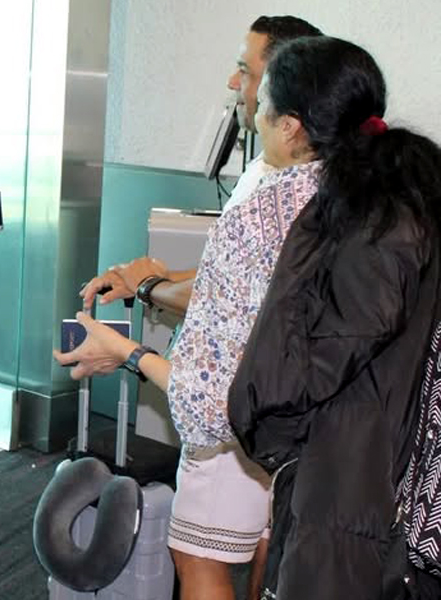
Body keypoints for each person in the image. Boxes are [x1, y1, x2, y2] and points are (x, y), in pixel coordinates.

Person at [55, 20, 330, 600]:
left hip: (236, 414)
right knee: (268, 544)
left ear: (290, 111)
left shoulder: (276, 203)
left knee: (197, 557)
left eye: (249, 72)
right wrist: (149, 278)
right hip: (288, 416)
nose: (236, 84)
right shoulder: (308, 183)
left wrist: (134, 328)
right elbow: (228, 279)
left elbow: (226, 301)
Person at [227, 36, 441, 600]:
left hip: (356, 470)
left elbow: (317, 356)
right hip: (369, 454)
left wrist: (262, 414)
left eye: (263, 95)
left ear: (294, 122)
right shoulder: (401, 191)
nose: (255, 110)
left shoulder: (372, 214)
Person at [81, 16, 322, 317]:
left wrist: (148, 287)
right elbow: (228, 271)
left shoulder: (297, 195)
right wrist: (155, 279)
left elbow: (234, 300)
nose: (233, 81)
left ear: (281, 83)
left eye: (244, 71)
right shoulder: (264, 166)